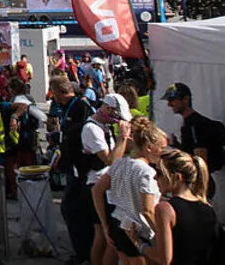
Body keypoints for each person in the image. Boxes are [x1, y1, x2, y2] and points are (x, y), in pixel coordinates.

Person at [91, 118, 168, 261]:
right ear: (149, 147)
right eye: (162, 148)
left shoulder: (119, 164)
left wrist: (105, 224)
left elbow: (96, 190)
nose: (164, 153)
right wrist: (162, 235)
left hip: (117, 223)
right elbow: (147, 210)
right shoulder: (147, 173)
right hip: (138, 230)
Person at [136, 149, 216, 264]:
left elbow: (165, 259)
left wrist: (139, 244)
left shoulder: (165, 209)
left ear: (177, 178)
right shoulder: (208, 208)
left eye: (159, 173)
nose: (155, 177)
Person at [52, 75, 100, 265]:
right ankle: (83, 252)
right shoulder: (66, 108)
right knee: (73, 210)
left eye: (54, 93)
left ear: (59, 92)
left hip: (83, 170)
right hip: (72, 168)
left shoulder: (81, 107)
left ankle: (85, 253)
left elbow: (81, 136)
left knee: (72, 209)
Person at [162, 83, 225, 199]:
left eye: (172, 100)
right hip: (198, 181)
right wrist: (177, 145)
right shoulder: (189, 124)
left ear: (186, 99)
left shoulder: (194, 124)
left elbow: (200, 156)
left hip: (199, 182)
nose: (169, 104)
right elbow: (191, 151)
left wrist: (197, 186)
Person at [82, 94, 132, 265]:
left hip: (107, 184)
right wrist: (122, 138)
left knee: (106, 235)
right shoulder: (91, 129)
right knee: (104, 235)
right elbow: (111, 160)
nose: (117, 122)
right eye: (116, 117)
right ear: (108, 109)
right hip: (96, 185)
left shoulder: (104, 127)